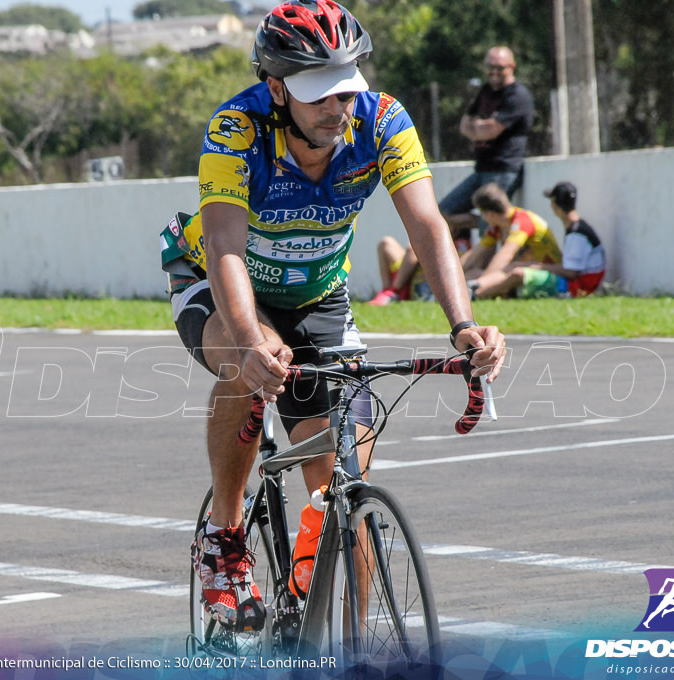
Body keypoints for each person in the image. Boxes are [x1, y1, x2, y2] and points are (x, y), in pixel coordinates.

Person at [159, 0, 505, 631]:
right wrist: (250, 339)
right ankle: (224, 537)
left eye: (346, 89)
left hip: (320, 298)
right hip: (223, 284)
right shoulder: (235, 130)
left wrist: (462, 325)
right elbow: (227, 248)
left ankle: (351, 644)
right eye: (318, 93)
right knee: (248, 360)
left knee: (344, 482)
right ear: (276, 89)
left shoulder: (383, 122)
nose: (336, 107)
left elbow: (427, 225)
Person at [438, 46, 534, 240]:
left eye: (499, 67)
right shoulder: (485, 91)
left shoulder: (517, 95)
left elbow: (491, 131)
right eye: (490, 66)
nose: (494, 72)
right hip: (481, 169)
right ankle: (487, 223)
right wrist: (481, 128)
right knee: (442, 212)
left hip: (503, 169)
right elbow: (465, 126)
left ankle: (488, 264)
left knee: (488, 228)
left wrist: (480, 128)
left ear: (512, 67)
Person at [461, 183, 563, 299]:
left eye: (482, 214)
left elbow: (505, 255)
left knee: (511, 270)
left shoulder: (523, 221)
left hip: (547, 272)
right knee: (473, 274)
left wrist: (482, 282)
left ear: (490, 214)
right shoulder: (497, 226)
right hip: (522, 269)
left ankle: (475, 292)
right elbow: (475, 253)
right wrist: (448, 277)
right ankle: (473, 291)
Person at [543, 181, 606, 297]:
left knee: (522, 274)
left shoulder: (576, 234)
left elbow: (571, 272)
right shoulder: (578, 227)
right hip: (582, 284)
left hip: (579, 287)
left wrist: (538, 266)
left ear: (555, 206)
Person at [365, 237, 433, 305]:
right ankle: (387, 292)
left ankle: (393, 292)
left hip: (422, 276)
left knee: (414, 248)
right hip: (410, 272)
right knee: (385, 243)